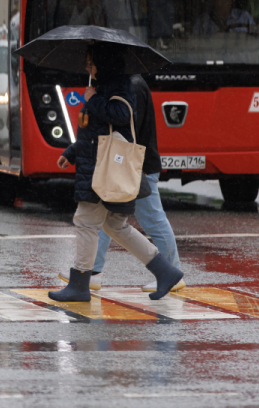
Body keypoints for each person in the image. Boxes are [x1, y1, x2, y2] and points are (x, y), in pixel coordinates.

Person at [50, 45, 183, 302]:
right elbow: (95, 135)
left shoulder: (120, 87)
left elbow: (122, 115)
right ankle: (165, 272)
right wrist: (72, 152)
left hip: (106, 172)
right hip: (100, 167)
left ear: (106, 63)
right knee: (114, 225)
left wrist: (93, 100)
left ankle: (79, 284)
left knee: (86, 222)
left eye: (92, 62)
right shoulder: (104, 87)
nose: (88, 67)